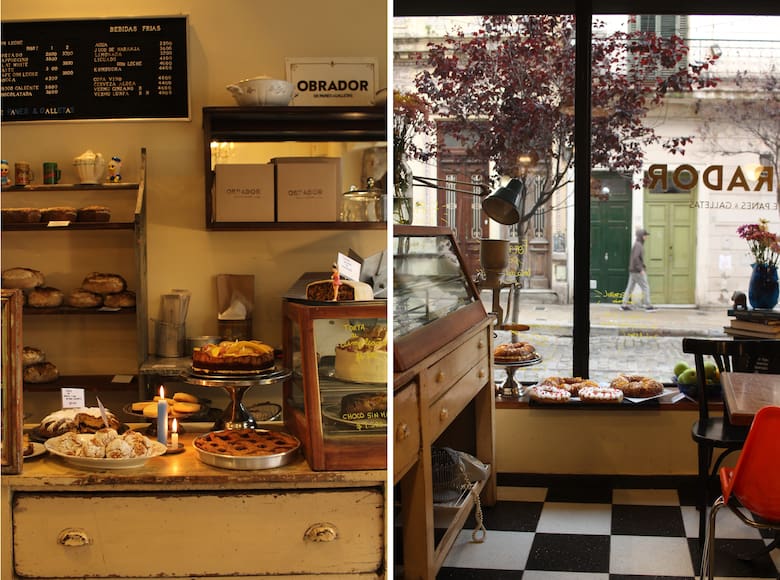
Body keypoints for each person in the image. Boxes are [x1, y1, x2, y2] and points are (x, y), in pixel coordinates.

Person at [621, 227, 656, 311]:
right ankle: (648, 305)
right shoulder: (638, 245)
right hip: (637, 271)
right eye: (645, 235)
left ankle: (624, 304)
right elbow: (636, 258)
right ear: (641, 236)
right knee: (645, 287)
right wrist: (640, 269)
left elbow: (636, 258)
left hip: (633, 270)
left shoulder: (637, 244)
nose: (646, 237)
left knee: (630, 287)